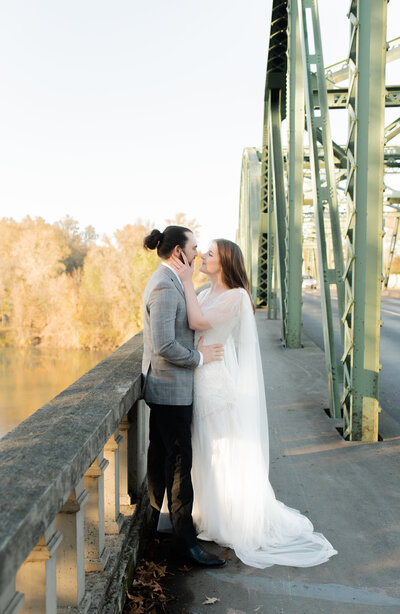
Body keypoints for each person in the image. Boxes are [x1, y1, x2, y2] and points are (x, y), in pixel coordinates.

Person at [169, 238, 338, 568]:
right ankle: (209, 514)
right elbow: (194, 323)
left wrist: (186, 282)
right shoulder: (205, 293)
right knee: (204, 449)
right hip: (201, 372)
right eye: (202, 252)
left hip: (215, 382)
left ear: (225, 262)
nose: (202, 256)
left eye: (209, 254)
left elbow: (197, 322)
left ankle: (230, 520)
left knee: (219, 450)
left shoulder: (236, 296)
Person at [141, 225, 226, 567]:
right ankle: (184, 542)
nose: (197, 252)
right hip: (170, 389)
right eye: (193, 248)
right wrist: (200, 358)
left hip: (169, 387)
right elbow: (164, 344)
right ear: (178, 251)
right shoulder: (164, 285)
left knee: (163, 458)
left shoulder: (172, 281)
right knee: (179, 465)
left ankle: (157, 528)